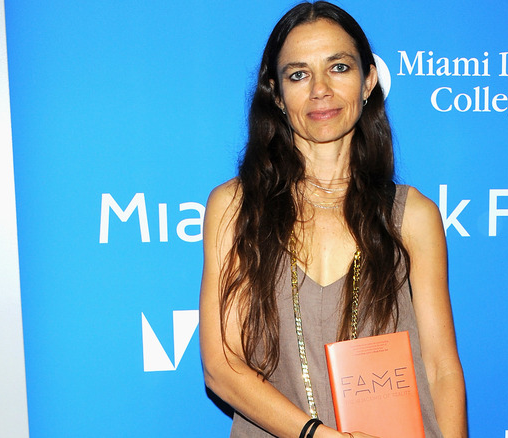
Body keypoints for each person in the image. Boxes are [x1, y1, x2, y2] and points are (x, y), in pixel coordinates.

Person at [199, 2, 466, 437]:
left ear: (369, 82)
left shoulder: (413, 215)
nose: (320, 89)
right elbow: (222, 365)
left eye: (339, 67)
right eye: (298, 74)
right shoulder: (235, 206)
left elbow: (441, 369)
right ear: (278, 96)